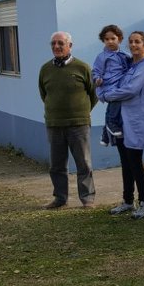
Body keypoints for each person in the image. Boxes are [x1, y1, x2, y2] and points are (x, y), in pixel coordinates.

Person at [38, 31, 97, 209]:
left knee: (83, 163)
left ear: (70, 46)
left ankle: (87, 199)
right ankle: (60, 198)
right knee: (57, 165)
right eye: (53, 44)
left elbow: (94, 94)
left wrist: (81, 111)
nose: (56, 47)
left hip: (79, 124)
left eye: (60, 43)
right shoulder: (45, 69)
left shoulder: (82, 67)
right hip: (55, 124)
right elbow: (44, 94)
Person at [104, 31, 144, 220]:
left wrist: (107, 95)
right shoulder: (129, 65)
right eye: (131, 42)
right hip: (122, 121)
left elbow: (131, 89)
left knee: (135, 162)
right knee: (125, 162)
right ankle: (127, 201)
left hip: (136, 122)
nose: (133, 45)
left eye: (137, 42)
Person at [91, 24, 130, 146]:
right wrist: (97, 79)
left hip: (120, 84)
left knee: (116, 105)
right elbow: (96, 70)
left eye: (113, 38)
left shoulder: (125, 55)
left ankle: (105, 133)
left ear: (120, 39)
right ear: (103, 41)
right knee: (116, 98)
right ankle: (111, 123)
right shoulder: (102, 56)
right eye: (106, 39)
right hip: (108, 85)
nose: (110, 41)